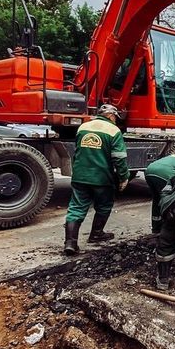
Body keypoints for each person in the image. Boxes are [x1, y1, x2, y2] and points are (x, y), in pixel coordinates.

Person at [64, 104, 129, 255]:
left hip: (80, 175)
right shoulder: (113, 130)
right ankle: (96, 234)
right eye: (115, 118)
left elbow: (78, 150)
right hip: (101, 178)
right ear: (111, 116)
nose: (115, 120)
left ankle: (70, 243)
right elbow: (119, 158)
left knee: (76, 208)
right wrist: (123, 177)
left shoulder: (83, 127)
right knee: (104, 206)